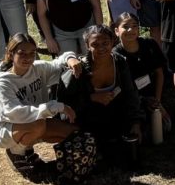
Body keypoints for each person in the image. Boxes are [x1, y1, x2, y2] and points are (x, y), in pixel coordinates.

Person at [0, 33, 80, 173]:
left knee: (73, 133)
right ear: (11, 54)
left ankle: (28, 145)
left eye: (32, 53)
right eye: (22, 53)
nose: (28, 57)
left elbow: (60, 61)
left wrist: (71, 59)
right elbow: (14, 113)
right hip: (6, 128)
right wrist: (55, 106)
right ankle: (17, 153)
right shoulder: (4, 82)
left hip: (35, 121)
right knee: (39, 124)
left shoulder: (37, 68)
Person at [59, 25, 144, 167]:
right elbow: (63, 107)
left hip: (114, 116)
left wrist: (136, 123)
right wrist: (91, 98)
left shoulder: (119, 62)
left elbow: (131, 94)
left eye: (105, 43)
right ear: (87, 46)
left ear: (113, 42)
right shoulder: (78, 70)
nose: (101, 48)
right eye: (95, 44)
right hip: (87, 121)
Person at [113, 13, 167, 139]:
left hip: (154, 95)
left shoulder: (150, 44)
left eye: (134, 26)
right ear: (116, 31)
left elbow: (160, 73)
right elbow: (122, 89)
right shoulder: (115, 55)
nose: (130, 30)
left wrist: (157, 101)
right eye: (125, 27)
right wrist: (143, 100)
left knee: (164, 127)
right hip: (132, 100)